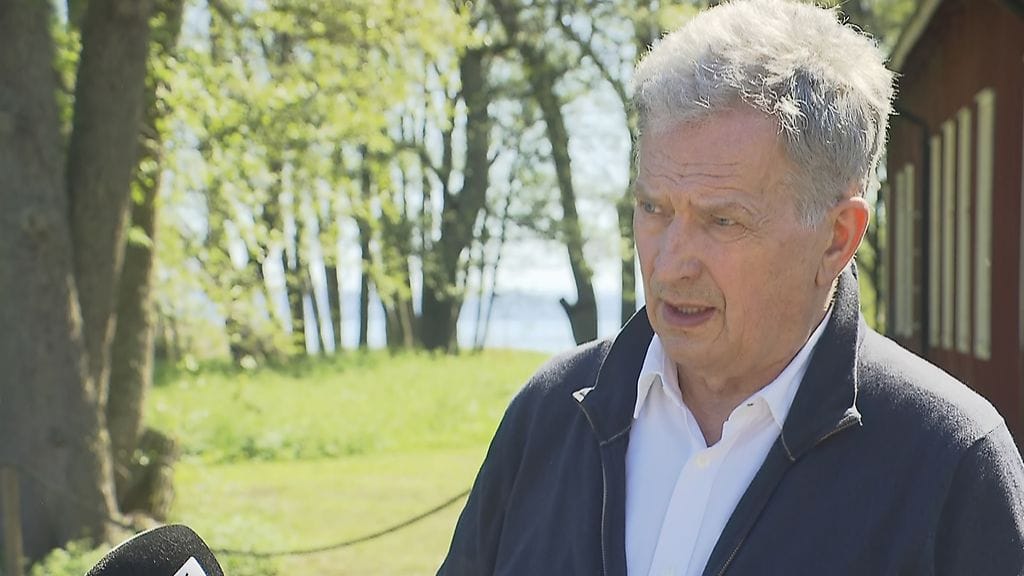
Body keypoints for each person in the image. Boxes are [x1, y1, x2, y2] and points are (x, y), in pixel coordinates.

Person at [438, 0, 1024, 574]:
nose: (671, 264)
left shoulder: (952, 466)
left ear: (836, 238)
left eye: (722, 221)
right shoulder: (549, 414)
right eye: (654, 208)